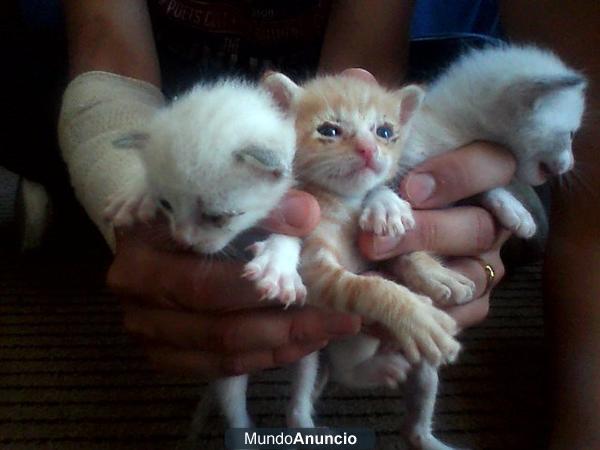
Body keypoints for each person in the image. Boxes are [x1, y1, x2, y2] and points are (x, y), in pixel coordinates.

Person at [57, 1, 598, 447]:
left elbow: (362, 80)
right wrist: (131, 188)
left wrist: (472, 199)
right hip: (167, 116)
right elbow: (109, 54)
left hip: (318, 143)